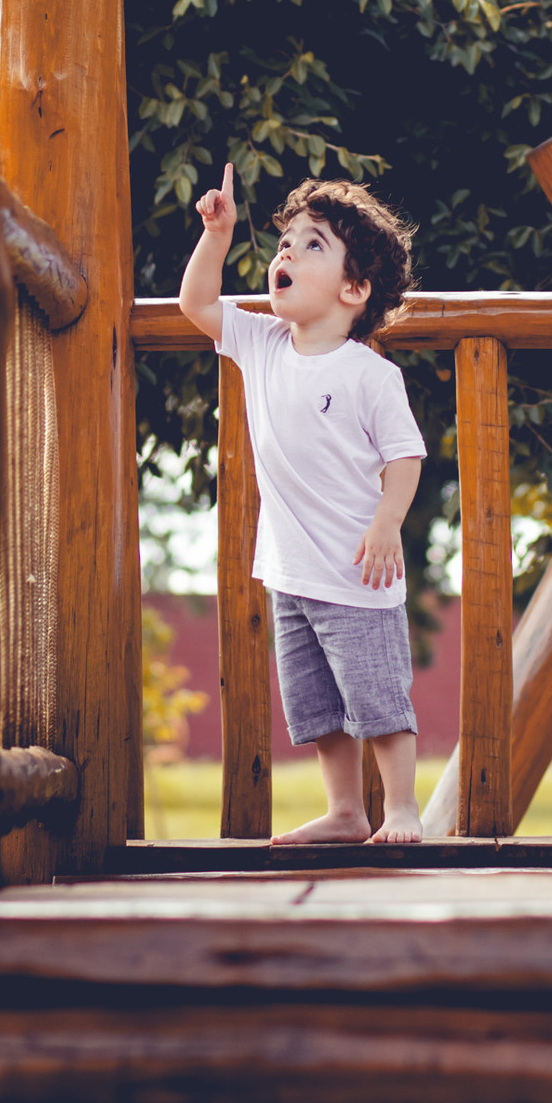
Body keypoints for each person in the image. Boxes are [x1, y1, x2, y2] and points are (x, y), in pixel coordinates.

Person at [179, 164, 426, 844]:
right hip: (290, 572)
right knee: (316, 706)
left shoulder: (369, 375)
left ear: (355, 288)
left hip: (357, 573)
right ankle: (347, 811)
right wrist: (218, 235)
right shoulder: (263, 343)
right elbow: (197, 305)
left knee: (377, 699)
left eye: (311, 243)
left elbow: (406, 456)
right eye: (285, 241)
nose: (285, 251)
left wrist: (387, 523)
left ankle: (401, 808)